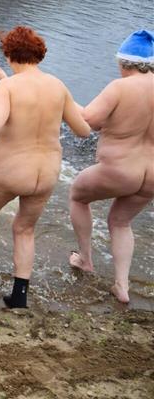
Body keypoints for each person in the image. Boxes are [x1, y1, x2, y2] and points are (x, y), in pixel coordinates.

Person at [0, 26, 90, 309]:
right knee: (25, 228)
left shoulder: (7, 85)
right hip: (47, 172)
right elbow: (83, 129)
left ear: (9, 55)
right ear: (38, 55)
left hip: (12, 170)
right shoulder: (58, 85)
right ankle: (19, 295)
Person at [69, 30, 154, 303]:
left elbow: (88, 121)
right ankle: (122, 286)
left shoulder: (120, 87)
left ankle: (85, 259)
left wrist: (65, 101)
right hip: (151, 173)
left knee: (77, 196)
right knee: (121, 221)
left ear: (124, 62)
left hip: (119, 168)